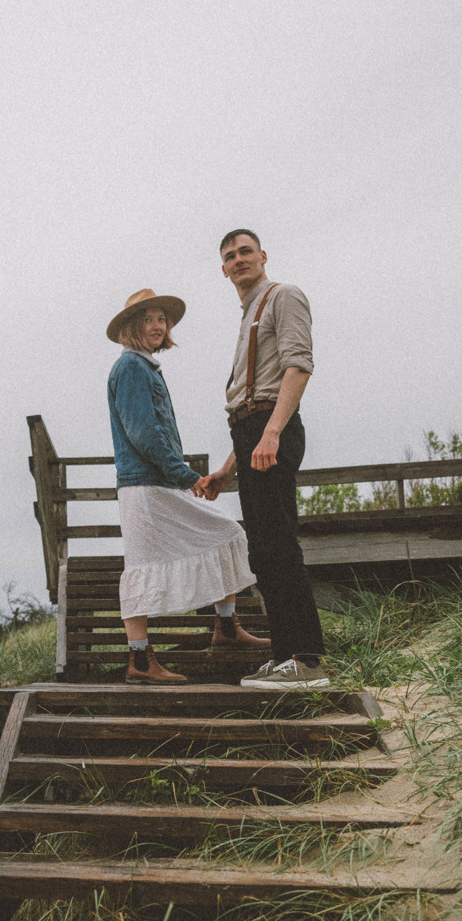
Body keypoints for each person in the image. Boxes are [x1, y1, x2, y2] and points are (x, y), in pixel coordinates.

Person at [107, 288, 268, 684]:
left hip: (156, 483)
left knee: (224, 533)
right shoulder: (130, 367)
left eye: (161, 319)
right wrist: (185, 475)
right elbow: (144, 433)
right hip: (145, 487)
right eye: (147, 319)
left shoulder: (145, 367)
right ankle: (140, 660)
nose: (157, 326)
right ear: (131, 327)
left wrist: (177, 475)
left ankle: (226, 628)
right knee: (142, 565)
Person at [192, 231, 328, 690]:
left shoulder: (283, 295)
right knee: (264, 553)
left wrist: (272, 432)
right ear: (223, 270)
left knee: (279, 546)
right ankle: (284, 656)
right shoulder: (249, 313)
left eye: (245, 251)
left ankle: (307, 660)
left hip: (272, 427)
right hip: (251, 432)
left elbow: (298, 365)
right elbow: (249, 402)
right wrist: (226, 470)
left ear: (263, 256)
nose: (238, 259)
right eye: (230, 256)